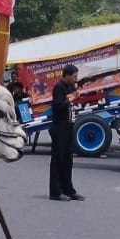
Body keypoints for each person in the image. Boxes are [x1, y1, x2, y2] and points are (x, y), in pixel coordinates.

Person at [48, 64, 83, 201]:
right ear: (67, 75)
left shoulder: (70, 87)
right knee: (58, 160)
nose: (76, 79)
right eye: (74, 77)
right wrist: (71, 98)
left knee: (68, 160)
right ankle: (55, 192)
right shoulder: (59, 88)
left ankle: (68, 189)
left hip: (69, 126)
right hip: (59, 128)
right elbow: (58, 106)